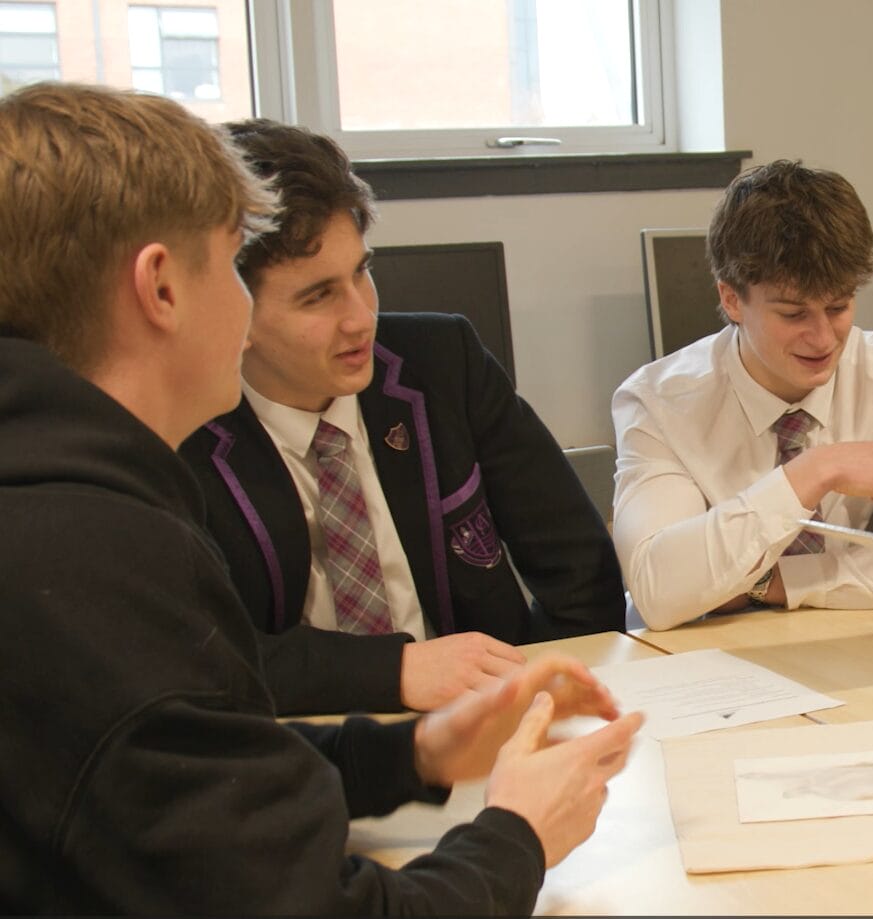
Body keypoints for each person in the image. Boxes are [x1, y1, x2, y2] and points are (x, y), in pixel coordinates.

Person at [0, 82, 642, 914]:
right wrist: (519, 830)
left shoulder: (51, 492)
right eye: (230, 262)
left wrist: (412, 753)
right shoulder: (99, 554)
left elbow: (193, 766)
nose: (359, 317)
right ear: (160, 287)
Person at [179, 119, 625, 716]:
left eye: (362, 272)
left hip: (484, 720)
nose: (361, 317)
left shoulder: (442, 363)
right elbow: (207, 658)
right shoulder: (181, 431)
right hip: (305, 742)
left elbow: (577, 564)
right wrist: (390, 672)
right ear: (231, 308)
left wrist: (546, 695)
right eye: (318, 296)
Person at [612, 159, 873, 630]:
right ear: (731, 300)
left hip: (827, 640)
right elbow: (659, 593)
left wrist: (770, 582)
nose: (824, 339)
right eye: (793, 314)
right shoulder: (657, 402)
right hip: (690, 661)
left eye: (838, 306)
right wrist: (814, 471)